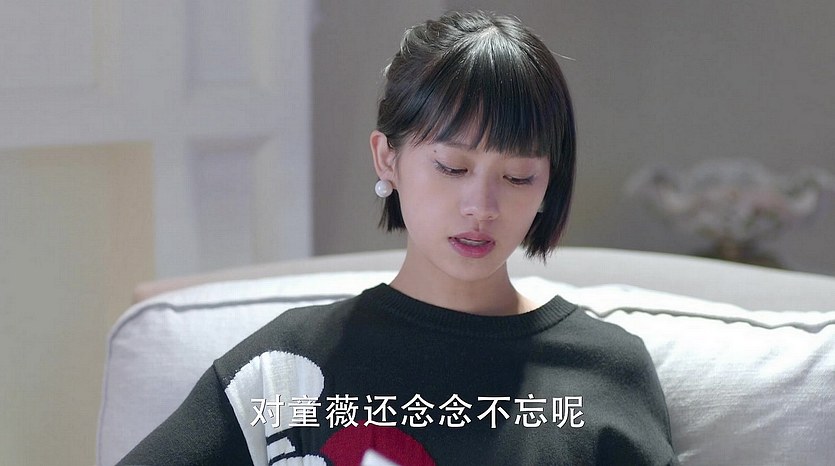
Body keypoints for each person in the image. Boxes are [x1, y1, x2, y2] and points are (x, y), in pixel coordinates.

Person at [119, 10, 677, 466]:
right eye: (452, 167)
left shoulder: (605, 371)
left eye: (517, 177)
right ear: (388, 158)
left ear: (549, 183)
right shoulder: (287, 367)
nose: (481, 207)